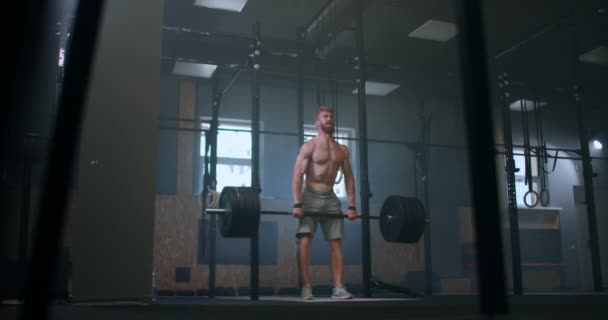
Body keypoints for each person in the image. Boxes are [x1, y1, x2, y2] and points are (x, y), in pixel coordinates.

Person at [291, 105, 358, 300]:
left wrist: (351, 205)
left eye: (331, 116)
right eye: (325, 116)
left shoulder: (342, 150)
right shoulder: (309, 146)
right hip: (310, 196)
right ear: (317, 122)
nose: (329, 119)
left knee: (336, 243)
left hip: (330, 198)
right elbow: (297, 175)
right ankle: (306, 287)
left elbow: (349, 178)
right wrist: (297, 203)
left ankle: (338, 288)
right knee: (305, 240)